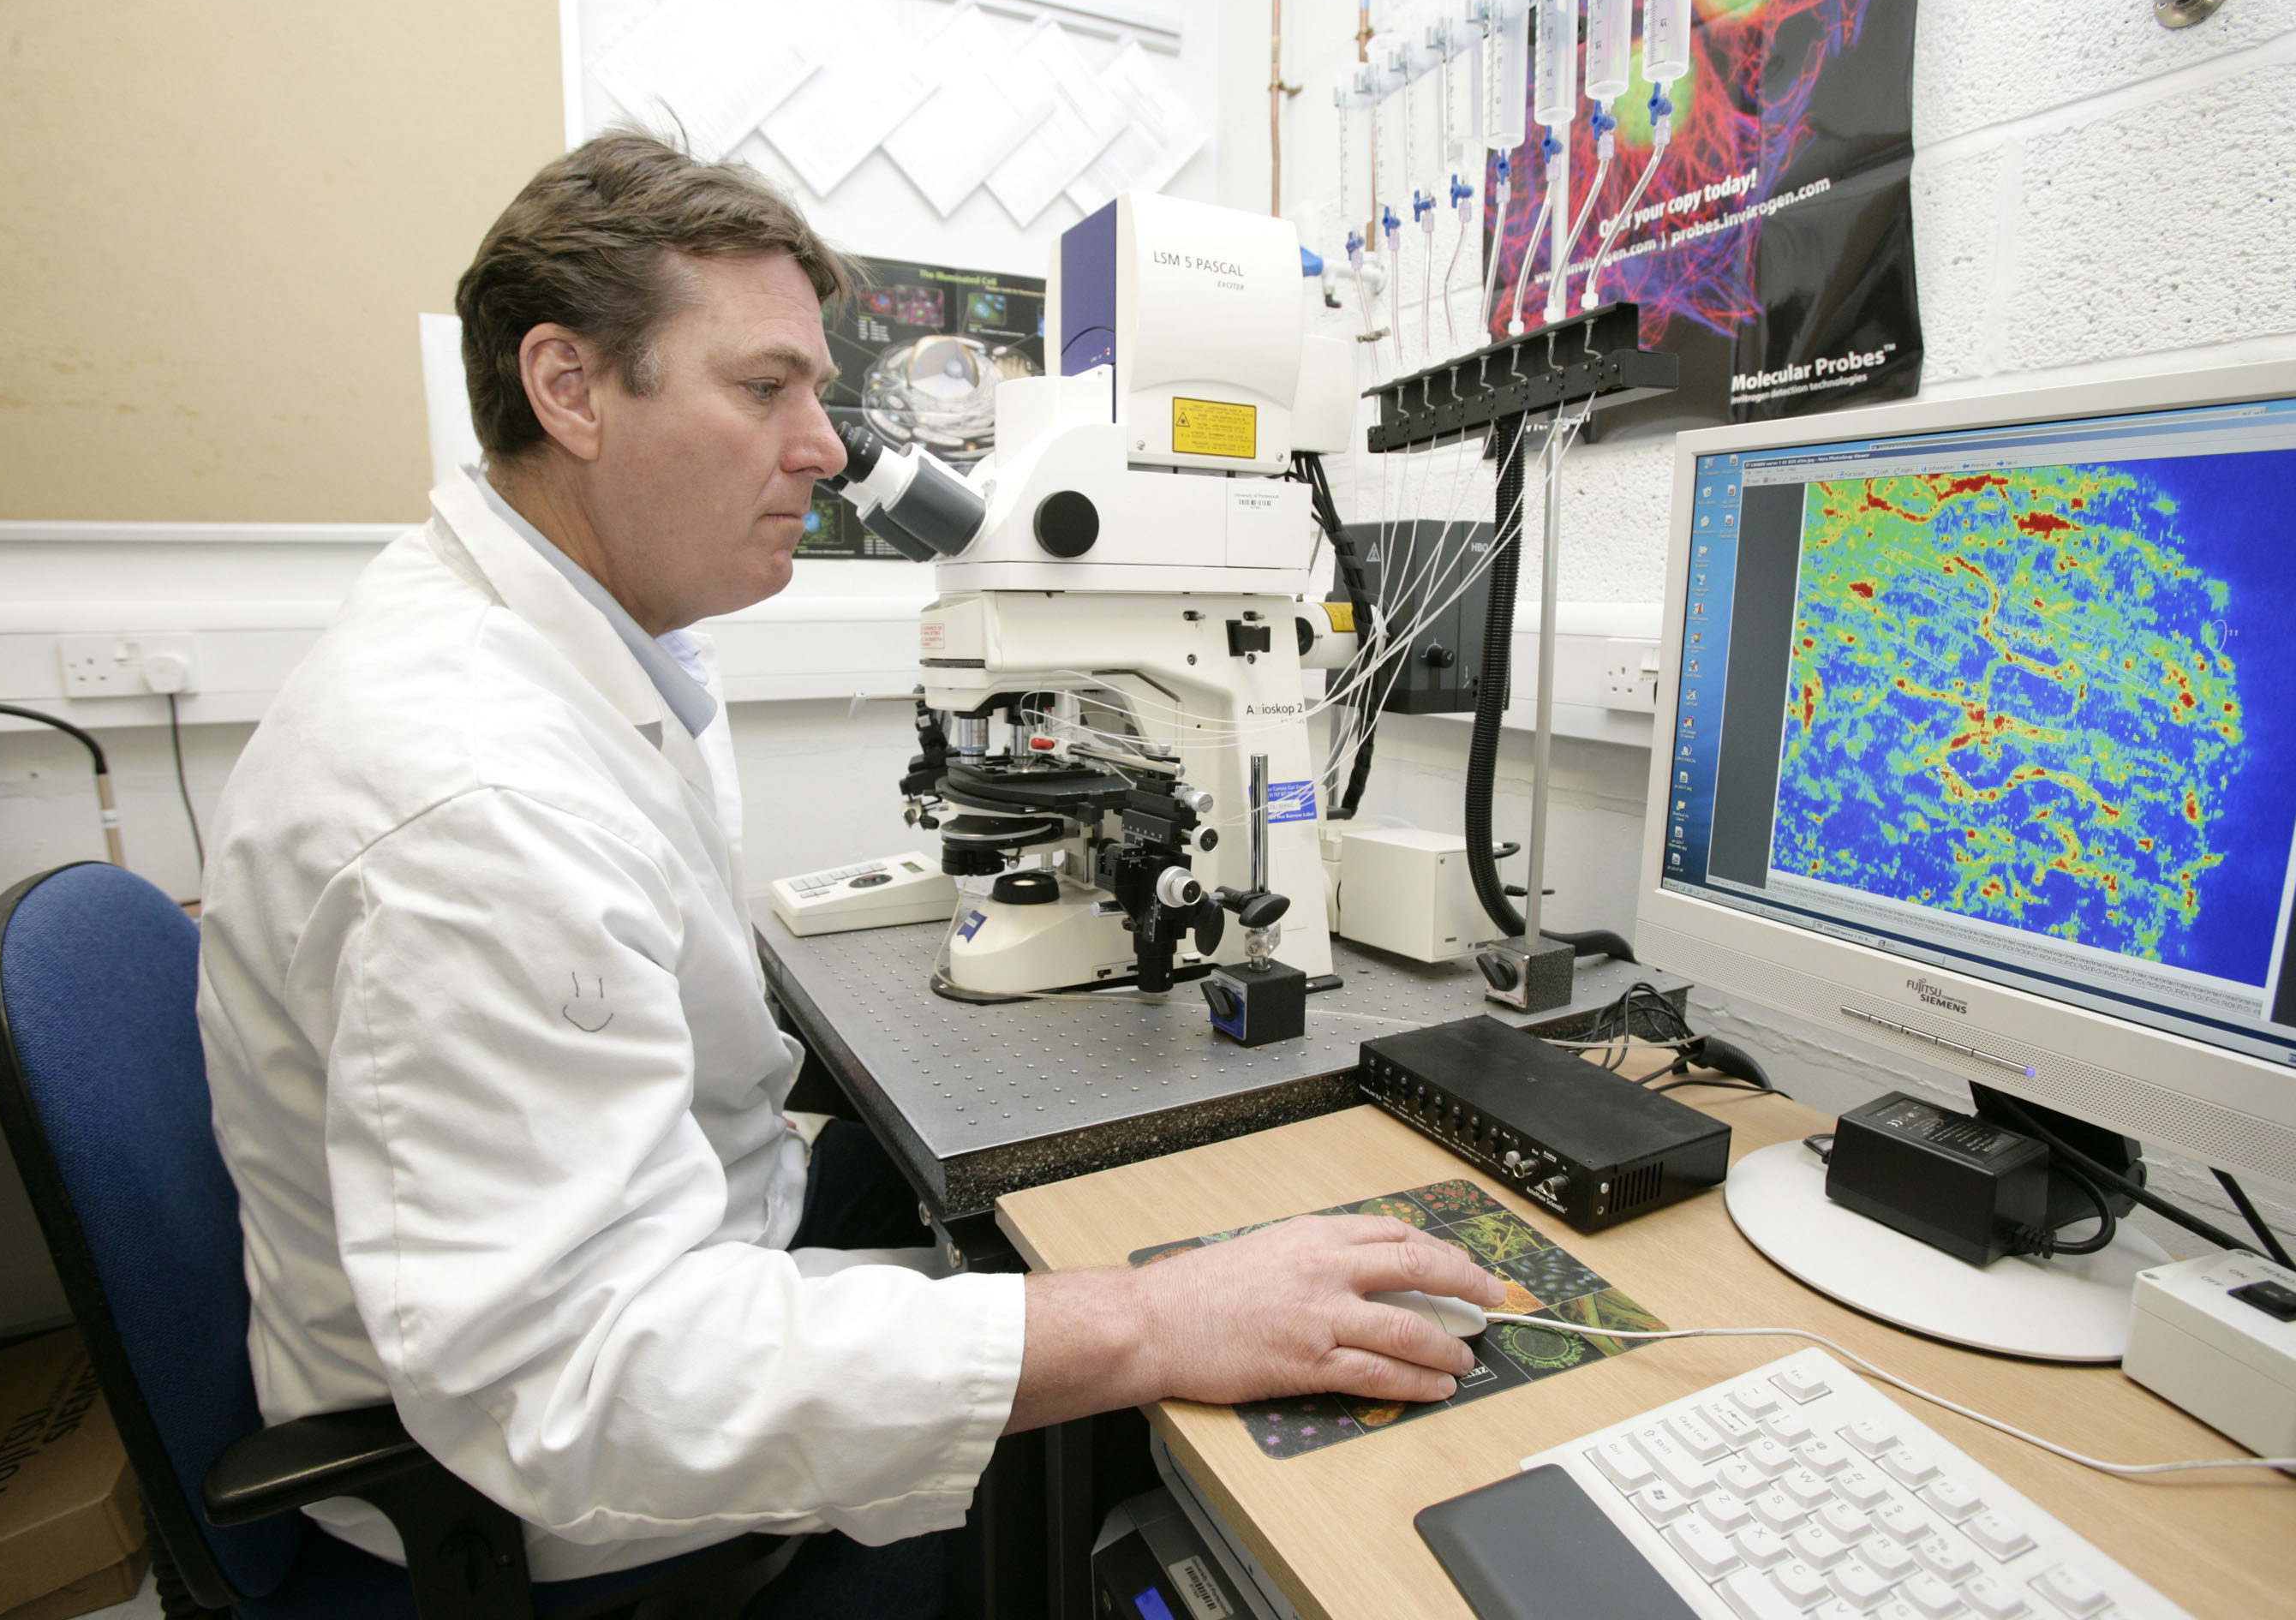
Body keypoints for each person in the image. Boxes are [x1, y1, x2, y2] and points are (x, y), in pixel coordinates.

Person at [195, 133, 1502, 1614]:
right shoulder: (469, 794)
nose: (823, 447)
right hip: (562, 1497)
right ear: (568, 388)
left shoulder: (563, 645)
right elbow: (585, 1389)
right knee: (1184, 1440)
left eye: (818, 390)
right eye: (764, 388)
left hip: (637, 1269)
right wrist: (1145, 1321)